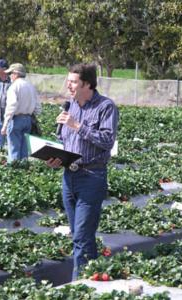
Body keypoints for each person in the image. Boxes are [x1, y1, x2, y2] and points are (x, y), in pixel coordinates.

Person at [46, 63, 119, 280]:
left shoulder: (106, 106)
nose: (68, 85)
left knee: (82, 236)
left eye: (73, 82)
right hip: (69, 176)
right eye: (68, 81)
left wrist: (77, 125)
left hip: (92, 177)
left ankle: (79, 285)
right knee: (78, 234)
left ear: (87, 83)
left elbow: (107, 141)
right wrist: (55, 158)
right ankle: (91, 277)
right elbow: (63, 139)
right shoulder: (70, 106)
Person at [1, 63, 41, 162]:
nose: (10, 76)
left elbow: (11, 106)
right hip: (28, 120)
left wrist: (5, 124)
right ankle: (24, 169)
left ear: (15, 74)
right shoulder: (30, 86)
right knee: (24, 149)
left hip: (16, 119)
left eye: (10, 73)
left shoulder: (14, 87)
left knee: (14, 148)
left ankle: (14, 171)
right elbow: (38, 107)